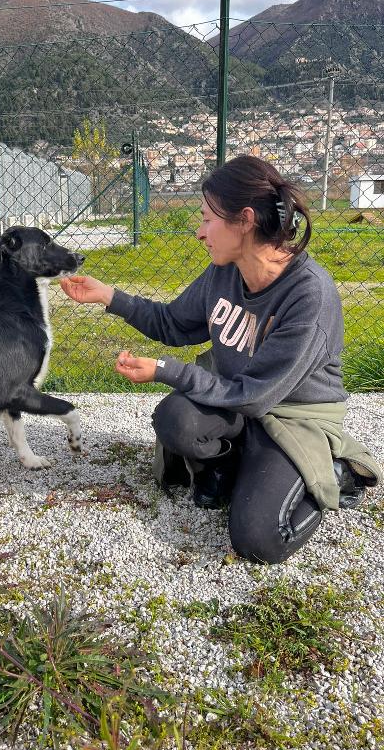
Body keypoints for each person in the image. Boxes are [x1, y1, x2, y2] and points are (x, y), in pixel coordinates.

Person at [60, 154, 381, 564]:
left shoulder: (308, 294)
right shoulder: (224, 271)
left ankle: (336, 475)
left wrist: (165, 370)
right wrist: (109, 296)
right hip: (236, 394)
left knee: (259, 540)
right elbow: (174, 324)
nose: (199, 232)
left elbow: (255, 396)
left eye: (207, 218)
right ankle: (231, 463)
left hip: (293, 412)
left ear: (244, 220)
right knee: (175, 419)